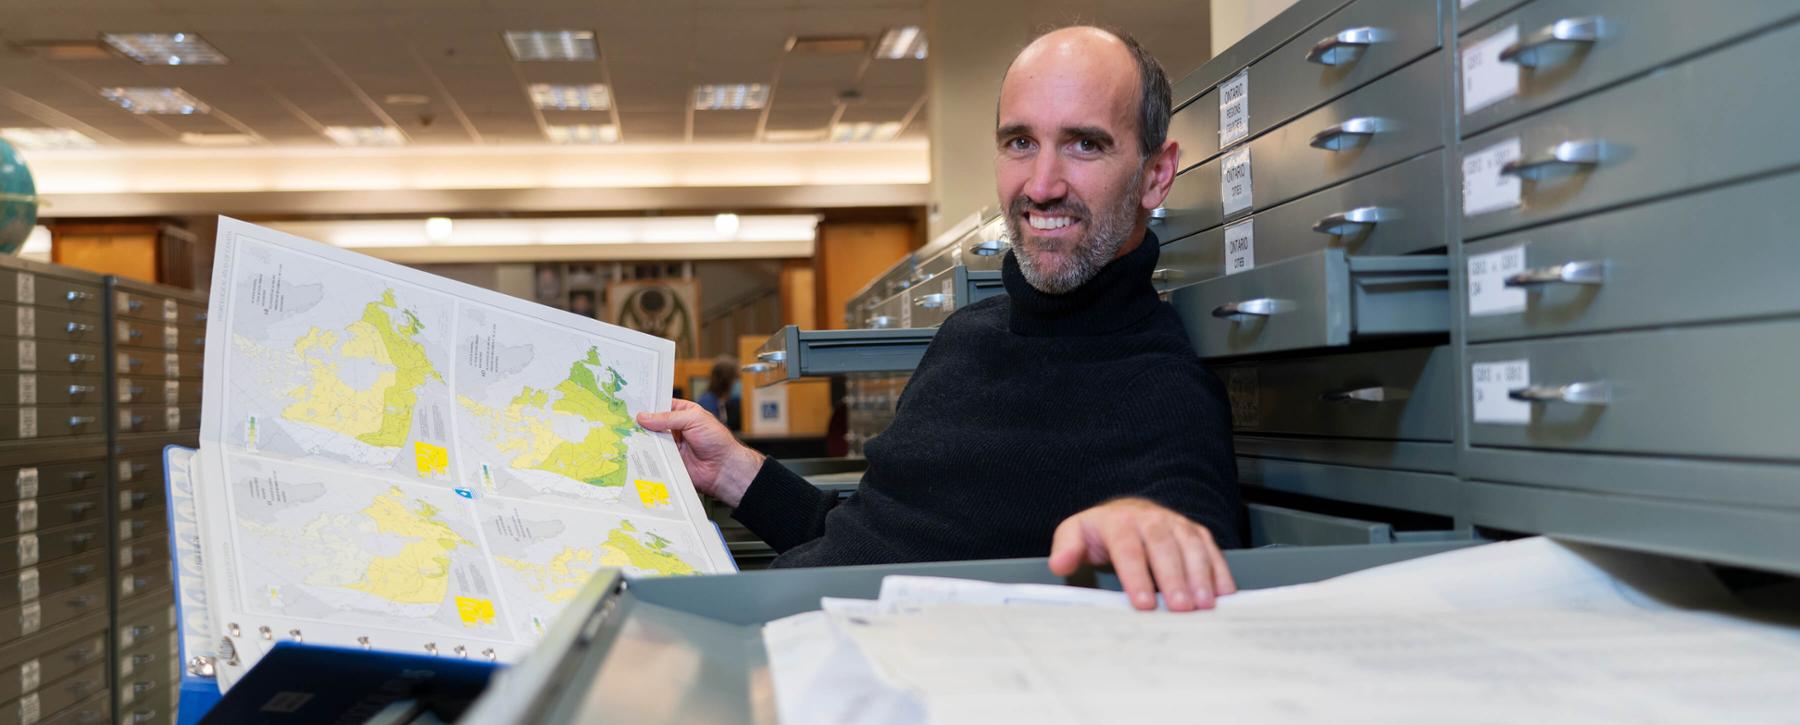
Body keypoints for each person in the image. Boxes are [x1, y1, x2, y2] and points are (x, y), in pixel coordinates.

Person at [640, 26, 1239, 612]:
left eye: (1086, 143)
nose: (1042, 185)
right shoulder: (965, 336)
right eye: (1020, 142)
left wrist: (1150, 529)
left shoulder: (1160, 390)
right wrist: (734, 473)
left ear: (1156, 174)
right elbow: (867, 544)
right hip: (780, 624)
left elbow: (1190, 538)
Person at [695, 356, 740, 430]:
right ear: (726, 381)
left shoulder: (722, 401)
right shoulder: (707, 403)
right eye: (736, 378)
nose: (737, 383)